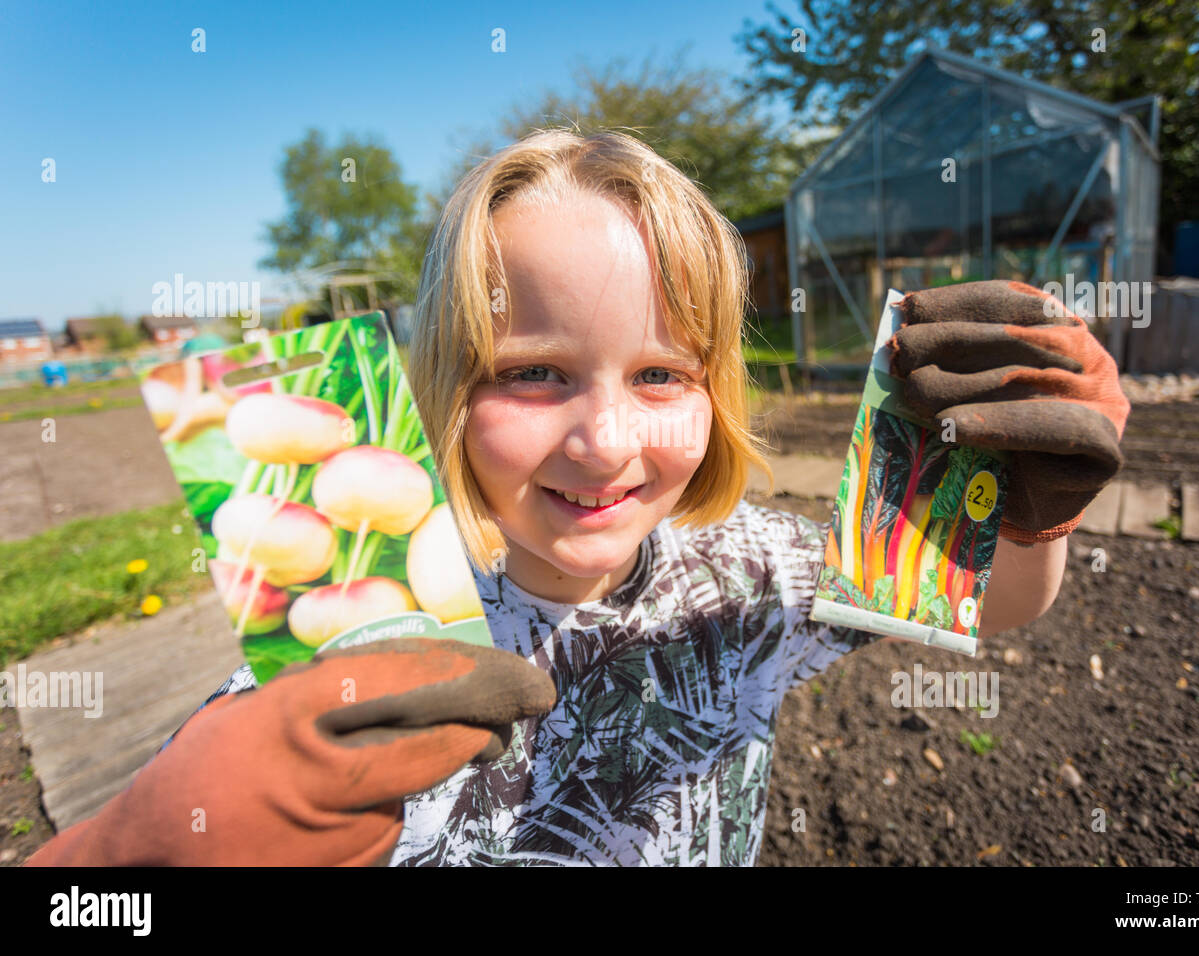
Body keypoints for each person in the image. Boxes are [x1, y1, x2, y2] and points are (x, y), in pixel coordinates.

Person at [27, 129, 1129, 866]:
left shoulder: (745, 571)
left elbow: (985, 606)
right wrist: (133, 855)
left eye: (662, 374)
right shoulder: (340, 641)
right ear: (449, 388)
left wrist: (1023, 517)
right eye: (530, 371)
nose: (604, 443)